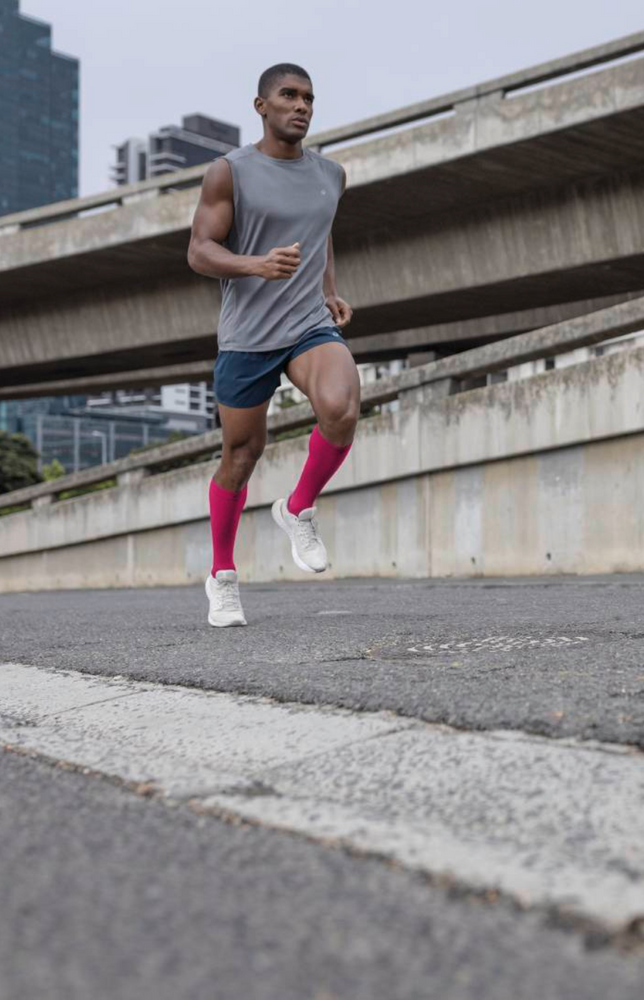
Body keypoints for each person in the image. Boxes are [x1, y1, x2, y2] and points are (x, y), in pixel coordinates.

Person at [186, 62, 358, 627]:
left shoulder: (330, 174)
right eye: (288, 95)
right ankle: (222, 576)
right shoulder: (228, 172)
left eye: (309, 97)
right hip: (247, 337)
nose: (301, 105)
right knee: (241, 455)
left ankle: (299, 506)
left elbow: (321, 229)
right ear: (262, 106)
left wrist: (329, 290)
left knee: (341, 405)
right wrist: (253, 265)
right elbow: (199, 250)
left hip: (307, 324)